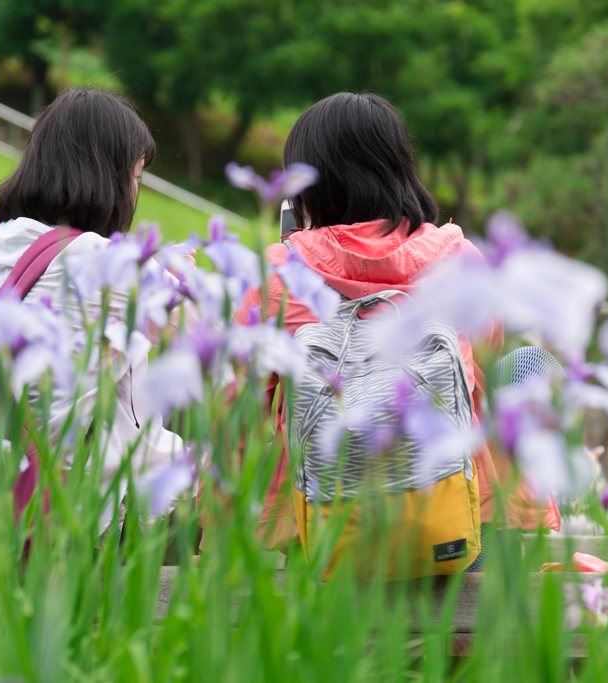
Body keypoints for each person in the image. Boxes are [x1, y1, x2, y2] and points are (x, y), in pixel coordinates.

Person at [236, 92, 559, 571]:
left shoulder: (276, 275)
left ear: (306, 188)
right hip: (452, 528)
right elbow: (478, 383)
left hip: (323, 535)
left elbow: (238, 410)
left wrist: (216, 528)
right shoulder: (461, 260)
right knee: (528, 364)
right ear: (401, 170)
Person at [0, 88, 184, 540]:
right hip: (76, 512)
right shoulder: (111, 263)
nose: (135, 191)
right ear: (108, 177)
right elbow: (135, 421)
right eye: (136, 176)